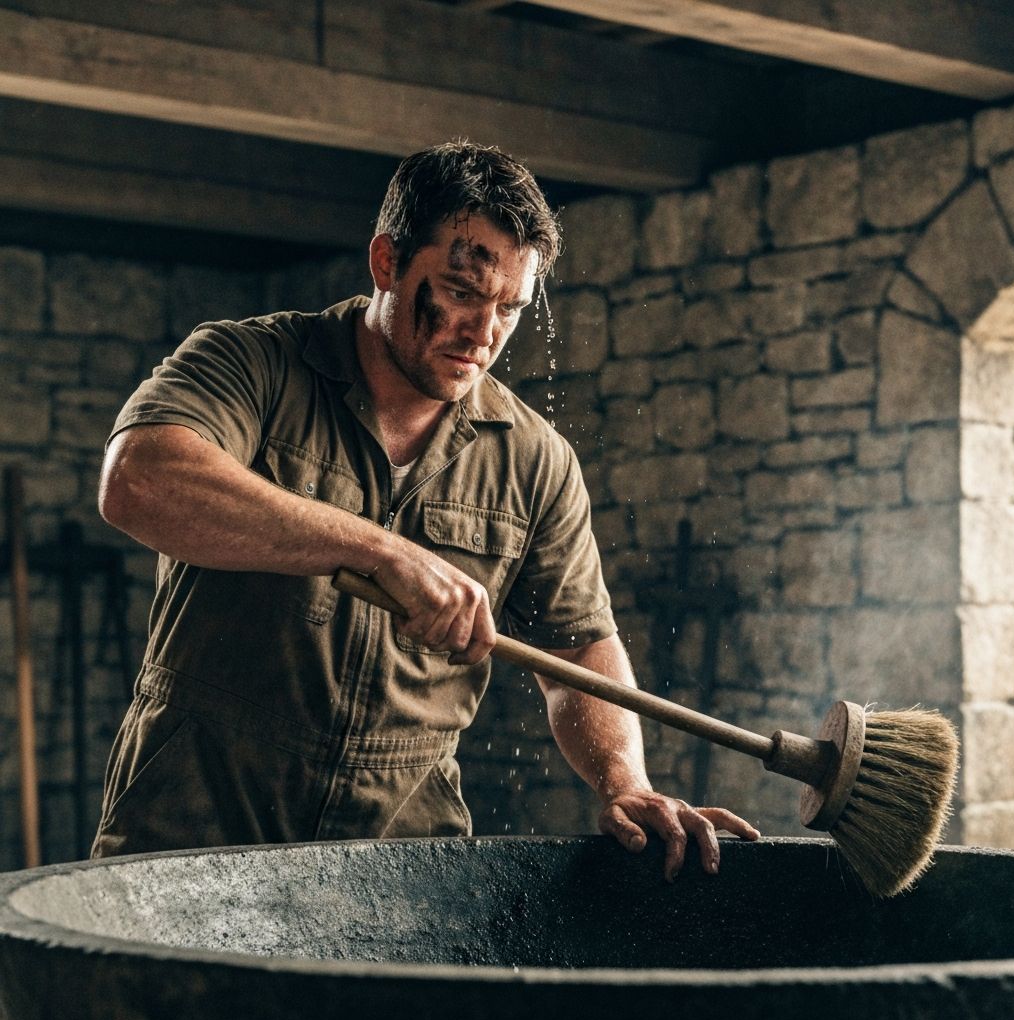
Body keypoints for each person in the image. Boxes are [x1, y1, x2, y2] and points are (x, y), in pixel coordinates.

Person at [92, 141, 758, 878]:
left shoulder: (534, 461)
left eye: (510, 307)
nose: (484, 334)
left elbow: (578, 652)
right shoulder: (252, 364)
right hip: (195, 833)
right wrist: (383, 551)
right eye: (463, 292)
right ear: (387, 262)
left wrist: (625, 782)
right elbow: (140, 481)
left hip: (402, 862)